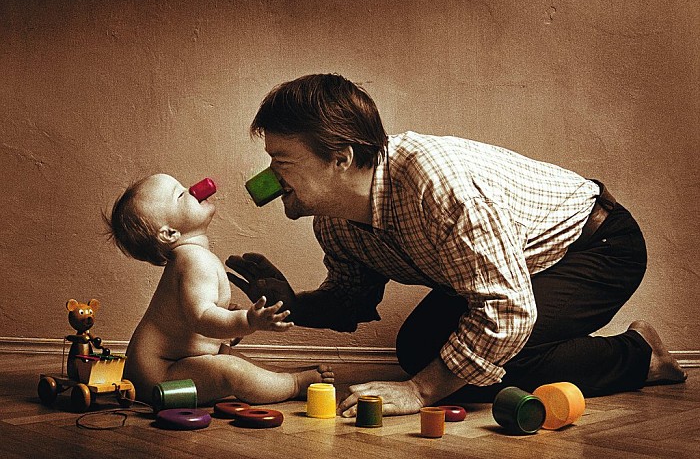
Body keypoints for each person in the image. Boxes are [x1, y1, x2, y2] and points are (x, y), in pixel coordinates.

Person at [227, 73, 687, 417]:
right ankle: (606, 353)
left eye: (280, 161)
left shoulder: (437, 186)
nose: (268, 178)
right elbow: (351, 301)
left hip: (597, 246)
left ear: (341, 158)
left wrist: (418, 392)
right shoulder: (333, 221)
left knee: (492, 355)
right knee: (419, 351)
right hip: (516, 269)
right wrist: (295, 306)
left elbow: (506, 313)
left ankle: (641, 356)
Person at [105, 173, 334, 405]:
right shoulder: (193, 259)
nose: (192, 189)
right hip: (159, 377)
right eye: (181, 194)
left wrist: (226, 316)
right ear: (170, 233)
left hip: (173, 364)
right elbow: (202, 318)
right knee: (229, 370)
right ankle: (293, 384)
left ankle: (282, 374)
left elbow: (192, 316)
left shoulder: (190, 257)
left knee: (226, 354)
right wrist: (246, 320)